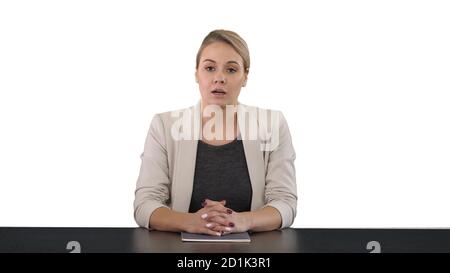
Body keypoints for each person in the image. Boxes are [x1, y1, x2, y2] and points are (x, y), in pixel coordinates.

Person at [134, 29, 297, 236]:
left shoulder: (272, 124)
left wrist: (241, 220)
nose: (219, 78)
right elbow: (145, 204)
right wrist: (192, 222)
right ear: (196, 74)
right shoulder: (164, 126)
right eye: (210, 68)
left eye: (231, 70)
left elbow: (285, 203)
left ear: (245, 76)